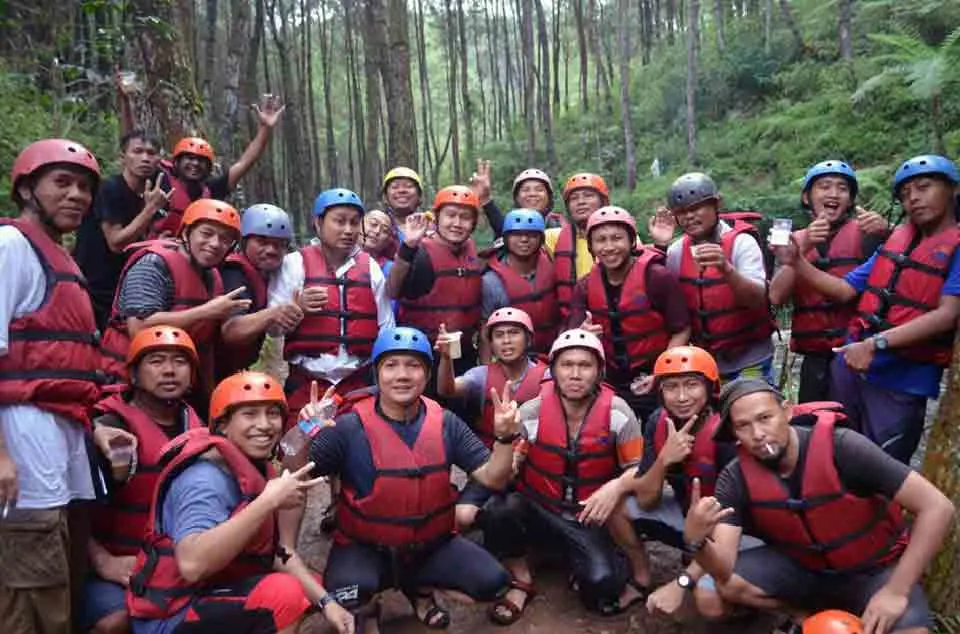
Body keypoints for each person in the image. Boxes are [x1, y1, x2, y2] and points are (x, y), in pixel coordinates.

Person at [683, 378, 955, 634]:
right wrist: (697, 542)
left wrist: (896, 591)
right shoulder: (735, 477)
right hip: (804, 568)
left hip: (873, 570)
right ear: (735, 434)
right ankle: (803, 618)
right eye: (743, 426)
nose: (758, 433)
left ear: (786, 412)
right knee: (713, 590)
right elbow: (723, 571)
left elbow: (937, 507)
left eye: (765, 418)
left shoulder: (843, 448)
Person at [305, 326, 517, 633]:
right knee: (348, 595)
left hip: (430, 543)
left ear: (427, 375)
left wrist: (505, 437)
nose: (402, 375)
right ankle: (372, 603)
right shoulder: (348, 427)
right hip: (364, 545)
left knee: (493, 584)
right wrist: (306, 433)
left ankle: (418, 588)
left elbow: (493, 479)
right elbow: (296, 476)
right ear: (376, 373)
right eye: (391, 365)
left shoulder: (445, 422)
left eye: (413, 365)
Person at [125, 371, 354, 634]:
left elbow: (282, 553)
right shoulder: (203, 480)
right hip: (171, 615)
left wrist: (328, 603)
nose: (265, 425)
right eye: (250, 414)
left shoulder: (256, 469)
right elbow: (191, 565)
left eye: (272, 413)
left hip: (210, 595)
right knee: (284, 595)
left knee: (311, 588)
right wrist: (267, 503)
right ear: (223, 425)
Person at [0, 138, 116, 634]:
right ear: (27, 189)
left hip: (60, 437)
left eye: (85, 187)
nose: (76, 195)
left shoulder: (62, 260)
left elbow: (65, 369)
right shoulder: (10, 247)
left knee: (61, 574)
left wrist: (95, 430)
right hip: (22, 442)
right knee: (29, 589)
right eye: (62, 183)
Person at [773, 155, 960, 463]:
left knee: (881, 463)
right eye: (906, 194)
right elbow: (844, 288)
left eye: (924, 187)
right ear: (807, 196)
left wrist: (877, 343)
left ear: (952, 190)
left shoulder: (892, 237)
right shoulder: (898, 241)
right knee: (832, 451)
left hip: (899, 372)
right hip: (847, 361)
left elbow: (947, 314)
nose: (913, 198)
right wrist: (797, 259)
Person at [480, 329, 647, 623]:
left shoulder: (619, 413)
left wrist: (616, 487)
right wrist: (505, 441)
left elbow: (637, 469)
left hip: (587, 517)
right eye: (566, 365)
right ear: (553, 370)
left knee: (602, 588)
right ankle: (521, 577)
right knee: (497, 510)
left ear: (599, 372)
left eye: (585, 366)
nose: (575, 374)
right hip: (539, 507)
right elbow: (505, 474)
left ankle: (585, 559)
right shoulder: (531, 412)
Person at [83, 326, 204, 634]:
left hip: (178, 566)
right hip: (115, 565)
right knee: (117, 622)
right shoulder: (106, 427)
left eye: (179, 362)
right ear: (134, 374)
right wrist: (102, 561)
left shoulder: (200, 427)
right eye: (156, 361)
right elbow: (70, 508)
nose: (169, 371)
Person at [624, 346, 742, 620]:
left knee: (708, 601)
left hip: (730, 527)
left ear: (710, 387)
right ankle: (642, 579)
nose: (681, 397)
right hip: (686, 514)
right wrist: (664, 459)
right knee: (621, 507)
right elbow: (645, 500)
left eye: (692, 385)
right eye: (671, 387)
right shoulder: (657, 421)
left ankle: (743, 607)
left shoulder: (727, 432)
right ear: (660, 393)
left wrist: (685, 578)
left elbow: (739, 516)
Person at [100, 199, 249, 403]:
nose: (215, 244)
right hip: (128, 385)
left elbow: (204, 346)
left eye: (225, 239)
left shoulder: (212, 277)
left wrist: (211, 400)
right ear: (186, 233)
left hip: (176, 388)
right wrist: (207, 311)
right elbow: (139, 328)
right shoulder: (153, 265)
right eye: (206, 233)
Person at [270, 188, 395, 429]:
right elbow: (273, 330)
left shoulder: (370, 268)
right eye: (339, 221)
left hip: (358, 383)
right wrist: (297, 308)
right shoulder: (294, 264)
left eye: (354, 222)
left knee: (360, 451)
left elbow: (386, 327)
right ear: (318, 223)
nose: (348, 230)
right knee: (300, 448)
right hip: (308, 382)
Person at [769, 160, 888, 402]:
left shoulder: (867, 234)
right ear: (806, 197)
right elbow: (776, 296)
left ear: (851, 199)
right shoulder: (792, 239)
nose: (833, 193)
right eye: (824, 186)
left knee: (851, 428)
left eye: (842, 188)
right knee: (812, 426)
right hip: (813, 358)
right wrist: (804, 245)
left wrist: (888, 231)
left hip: (854, 351)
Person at [648, 172, 774, 383]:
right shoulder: (676, 251)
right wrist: (660, 246)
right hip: (704, 362)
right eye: (682, 212)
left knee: (748, 413)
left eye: (696, 208)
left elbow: (757, 299)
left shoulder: (742, 243)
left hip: (751, 358)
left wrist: (726, 269)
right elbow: (663, 300)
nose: (689, 216)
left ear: (717, 205)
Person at [569, 206, 690, 421]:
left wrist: (661, 374)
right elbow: (572, 339)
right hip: (609, 381)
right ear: (591, 246)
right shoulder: (584, 287)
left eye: (617, 238)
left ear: (632, 241)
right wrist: (583, 334)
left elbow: (681, 329)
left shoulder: (657, 277)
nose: (609, 247)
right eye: (600, 240)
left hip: (655, 375)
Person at [436, 307, 548, 528]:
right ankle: (494, 527)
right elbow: (447, 390)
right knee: (462, 516)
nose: (506, 341)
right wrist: (446, 359)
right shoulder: (480, 376)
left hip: (534, 465)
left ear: (528, 339)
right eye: (499, 335)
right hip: (491, 464)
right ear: (491, 343)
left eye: (514, 333)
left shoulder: (547, 377)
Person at [74, 130, 168, 328]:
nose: (145, 158)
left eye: (151, 153)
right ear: (123, 157)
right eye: (138, 151)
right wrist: (150, 210)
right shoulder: (110, 189)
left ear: (159, 159)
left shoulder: (147, 194)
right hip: (94, 288)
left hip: (122, 289)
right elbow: (116, 242)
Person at [388, 185, 485, 378]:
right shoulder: (420, 252)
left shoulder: (472, 249)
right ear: (437, 217)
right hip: (424, 356)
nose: (457, 223)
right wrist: (408, 247)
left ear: (474, 223)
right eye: (450, 215)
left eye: (465, 217)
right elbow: (393, 290)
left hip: (463, 354)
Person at [217, 203, 303, 381]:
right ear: (244, 241)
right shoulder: (234, 273)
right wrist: (273, 314)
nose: (271, 250)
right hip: (214, 369)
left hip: (233, 369)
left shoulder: (267, 276)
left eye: (279, 245)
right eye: (262, 242)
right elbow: (231, 331)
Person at [482, 209, 559, 355]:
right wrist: (488, 371)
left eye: (531, 235)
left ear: (541, 239)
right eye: (516, 234)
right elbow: (485, 333)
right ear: (506, 239)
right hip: (513, 359)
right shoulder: (491, 282)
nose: (524, 239)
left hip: (553, 354)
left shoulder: (554, 266)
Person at [545, 173, 610, 321]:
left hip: (611, 318)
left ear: (603, 201)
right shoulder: (553, 238)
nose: (581, 202)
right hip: (575, 323)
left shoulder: (622, 239)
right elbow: (516, 235)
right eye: (574, 198)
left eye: (588, 195)